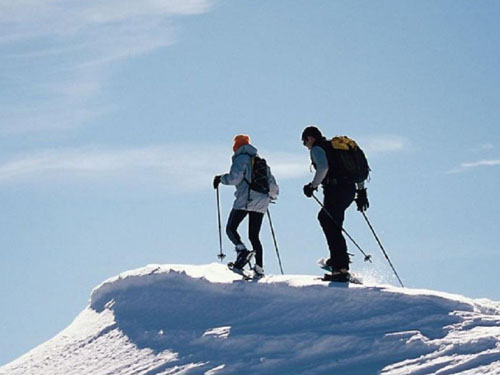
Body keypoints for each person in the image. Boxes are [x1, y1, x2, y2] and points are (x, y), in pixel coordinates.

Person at [301, 126, 369, 281]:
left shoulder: (318, 148)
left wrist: (312, 186)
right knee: (333, 223)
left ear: (310, 138)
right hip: (349, 190)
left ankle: (340, 268)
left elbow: (323, 167)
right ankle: (338, 260)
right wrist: (362, 192)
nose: (306, 146)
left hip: (335, 190)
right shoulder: (336, 148)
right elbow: (355, 170)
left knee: (327, 220)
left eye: (305, 142)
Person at [213, 134, 279, 276]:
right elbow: (272, 184)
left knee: (231, 228)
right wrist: (271, 197)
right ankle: (259, 268)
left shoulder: (240, 159)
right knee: (254, 235)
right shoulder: (260, 161)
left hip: (246, 199)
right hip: (262, 201)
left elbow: (234, 178)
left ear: (236, 147)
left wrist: (220, 179)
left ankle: (242, 251)